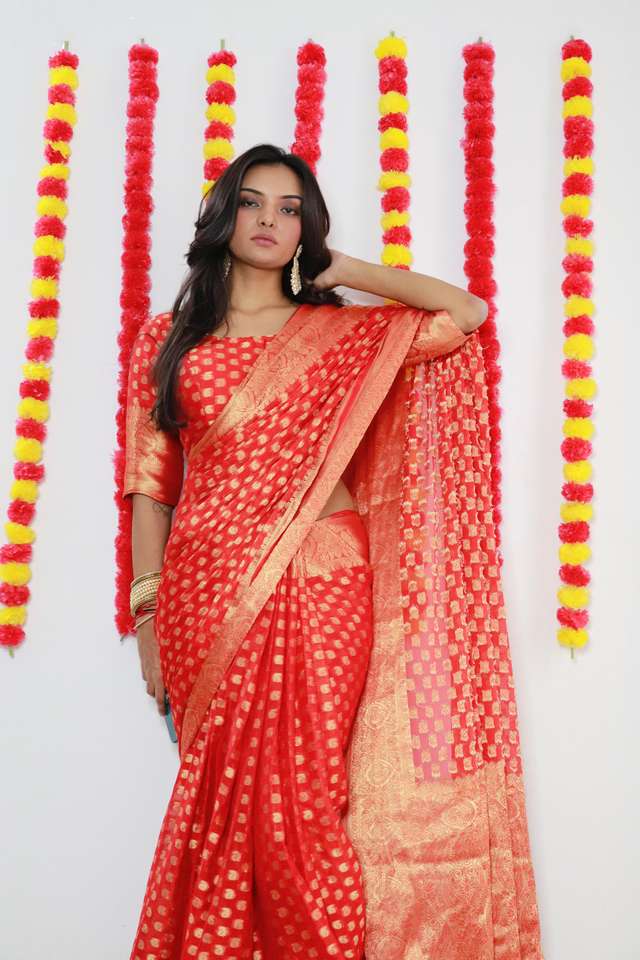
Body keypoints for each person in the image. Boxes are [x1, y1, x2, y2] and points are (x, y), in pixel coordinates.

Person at [122, 143, 543, 959]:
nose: (269, 220)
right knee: (219, 804)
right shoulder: (168, 339)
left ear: (307, 229)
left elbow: (463, 313)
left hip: (323, 578)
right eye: (252, 202)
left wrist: (341, 267)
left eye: (290, 209)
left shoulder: (339, 333)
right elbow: (150, 485)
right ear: (222, 215)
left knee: (306, 798)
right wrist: (147, 614)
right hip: (206, 591)